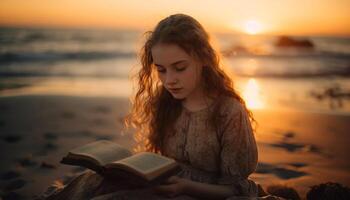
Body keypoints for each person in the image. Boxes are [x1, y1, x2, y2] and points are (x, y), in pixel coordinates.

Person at [39, 13, 263, 200]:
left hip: (203, 195)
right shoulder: (167, 103)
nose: (169, 80)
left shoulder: (229, 111)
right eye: (161, 70)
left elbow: (236, 190)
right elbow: (160, 163)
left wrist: (185, 187)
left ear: (203, 59)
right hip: (166, 187)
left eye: (179, 67)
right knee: (94, 180)